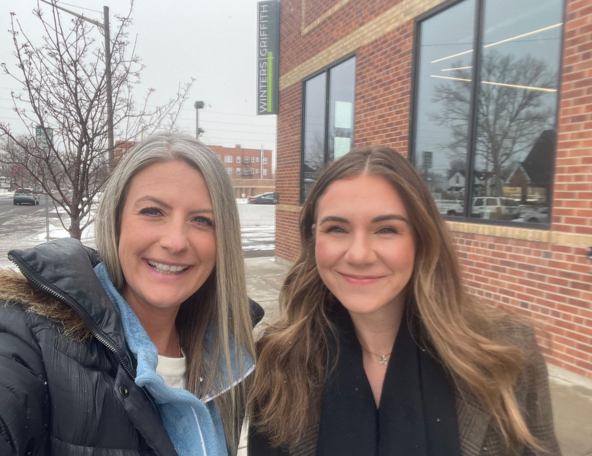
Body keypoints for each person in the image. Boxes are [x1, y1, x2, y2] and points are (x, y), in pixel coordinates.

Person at [248, 146, 560, 456]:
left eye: (386, 229)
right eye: (337, 229)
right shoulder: (278, 360)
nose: (359, 255)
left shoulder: (506, 353)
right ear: (315, 237)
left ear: (421, 239)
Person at [0, 133, 263, 456]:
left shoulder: (229, 356)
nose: (176, 241)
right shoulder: (31, 338)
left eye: (201, 220)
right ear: (116, 221)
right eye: (153, 211)